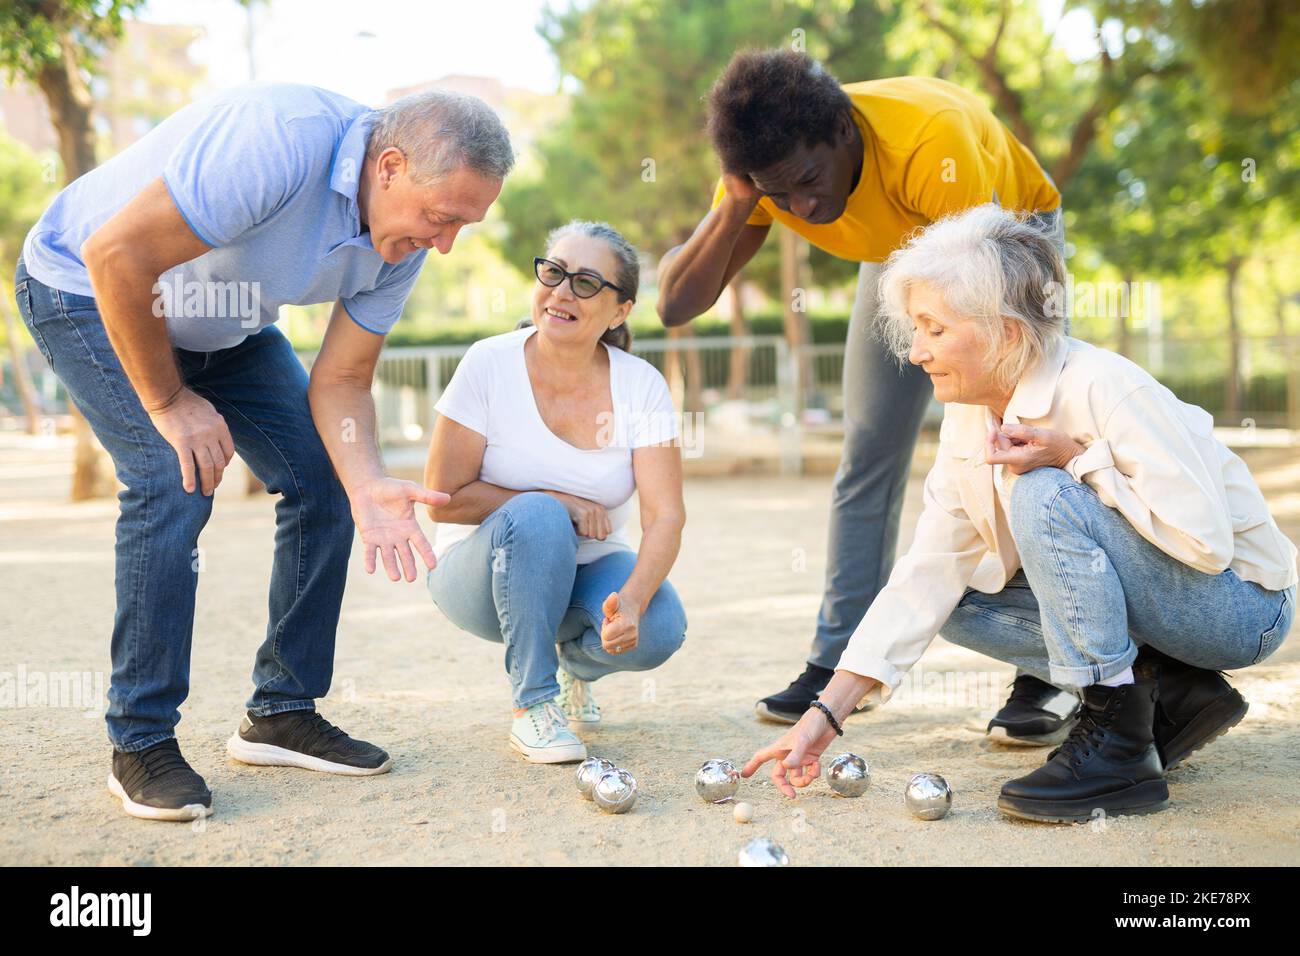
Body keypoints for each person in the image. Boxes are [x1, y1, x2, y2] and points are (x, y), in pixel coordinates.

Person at [15, 82, 513, 820]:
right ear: (390, 167)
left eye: (463, 226)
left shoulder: (403, 240)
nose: (446, 244)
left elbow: (342, 379)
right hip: (88, 289)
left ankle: (281, 709)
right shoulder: (280, 139)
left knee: (326, 479)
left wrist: (368, 478)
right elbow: (115, 254)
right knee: (170, 478)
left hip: (223, 325)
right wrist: (169, 402)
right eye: (442, 218)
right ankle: (141, 741)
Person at [742, 205, 1296, 822]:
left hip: (1240, 609)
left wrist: (1077, 460)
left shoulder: (1105, 386)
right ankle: (1171, 696)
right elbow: (927, 571)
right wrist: (825, 716)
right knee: (958, 595)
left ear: (1006, 332)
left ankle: (1118, 748)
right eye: (915, 328)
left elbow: (1205, 544)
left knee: (1041, 490)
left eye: (934, 328)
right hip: (1173, 601)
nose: (917, 351)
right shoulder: (968, 415)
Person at [657, 49, 1077, 743]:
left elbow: (976, 296)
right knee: (870, 445)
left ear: (845, 133)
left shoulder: (929, 138)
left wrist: (982, 413)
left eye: (808, 183)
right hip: (902, 245)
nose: (803, 210)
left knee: (1016, 442)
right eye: (779, 194)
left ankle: (1052, 667)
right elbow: (677, 305)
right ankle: (837, 660)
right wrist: (739, 202)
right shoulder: (769, 170)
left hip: (1001, 238)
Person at [424, 221, 688, 763]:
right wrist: (557, 501)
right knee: (540, 515)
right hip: (477, 573)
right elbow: (443, 493)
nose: (562, 291)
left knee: (660, 630)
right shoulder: (489, 363)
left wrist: (632, 604)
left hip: (587, 569)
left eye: (587, 282)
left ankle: (576, 667)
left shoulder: (641, 384)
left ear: (619, 310)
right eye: (554, 272)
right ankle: (534, 706)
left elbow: (665, 517)